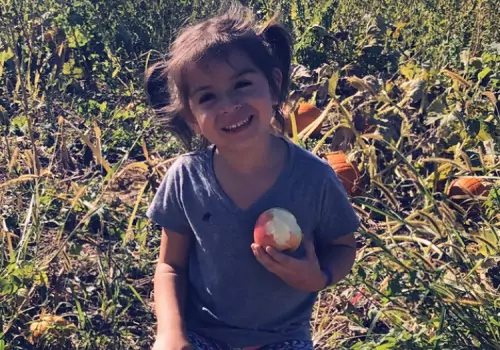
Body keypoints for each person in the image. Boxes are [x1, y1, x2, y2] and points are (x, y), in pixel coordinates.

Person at [144, 3, 360, 349]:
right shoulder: (187, 178)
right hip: (202, 334)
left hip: (283, 337)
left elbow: (343, 246)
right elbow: (170, 265)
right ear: (190, 116)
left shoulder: (314, 179)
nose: (229, 106)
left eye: (242, 85)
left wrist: (319, 276)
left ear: (274, 87)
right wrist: (170, 334)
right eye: (208, 96)